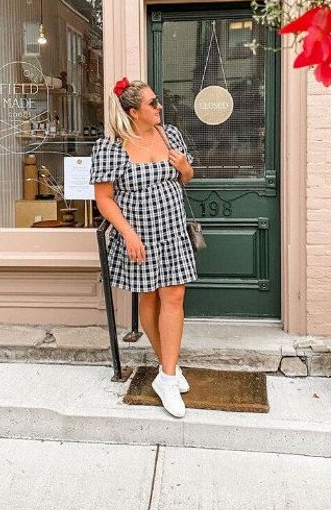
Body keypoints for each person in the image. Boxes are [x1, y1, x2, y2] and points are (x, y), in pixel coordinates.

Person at [89, 76, 198, 417]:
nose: (159, 107)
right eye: (153, 103)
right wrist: (128, 234)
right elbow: (104, 199)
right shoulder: (111, 147)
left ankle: (166, 375)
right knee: (149, 298)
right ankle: (169, 368)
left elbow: (187, 178)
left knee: (174, 296)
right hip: (140, 236)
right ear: (134, 112)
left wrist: (184, 168)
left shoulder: (170, 135)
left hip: (173, 231)